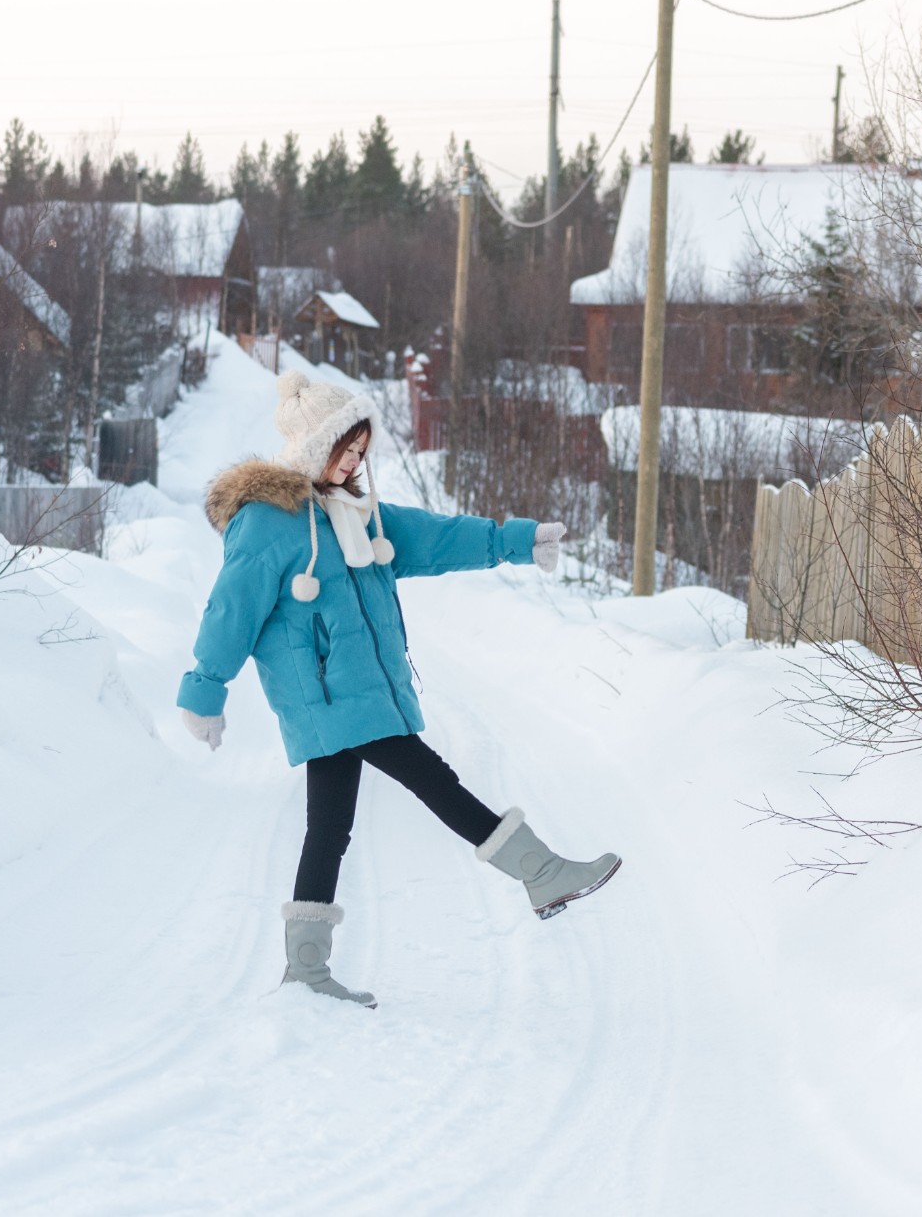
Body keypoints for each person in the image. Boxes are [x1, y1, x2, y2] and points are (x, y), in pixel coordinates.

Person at [176, 372, 620, 1008]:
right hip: (328, 698)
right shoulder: (268, 524)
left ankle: (306, 971)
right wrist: (205, 687)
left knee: (329, 828)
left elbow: (438, 538)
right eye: (345, 450)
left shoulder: (358, 514)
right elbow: (231, 609)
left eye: (361, 452)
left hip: (359, 697)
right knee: (434, 781)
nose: (355, 462)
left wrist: (518, 541)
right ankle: (542, 873)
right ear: (313, 448)